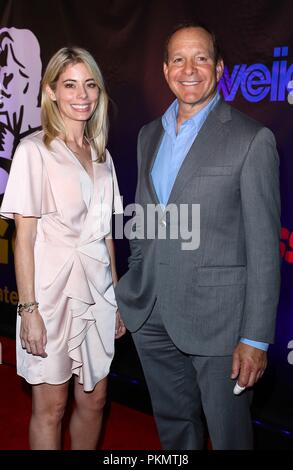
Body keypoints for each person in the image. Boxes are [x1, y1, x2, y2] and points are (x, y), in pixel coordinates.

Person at [115, 23, 281, 450]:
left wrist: (255, 337)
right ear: (165, 68)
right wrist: (131, 290)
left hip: (220, 326)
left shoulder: (252, 139)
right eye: (178, 59)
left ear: (220, 67)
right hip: (151, 317)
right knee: (174, 432)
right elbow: (144, 223)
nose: (189, 69)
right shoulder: (147, 134)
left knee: (229, 438)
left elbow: (265, 250)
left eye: (201, 58)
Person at [0, 46, 126, 450]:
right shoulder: (34, 151)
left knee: (96, 399)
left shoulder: (103, 156)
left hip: (98, 294)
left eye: (90, 84)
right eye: (70, 84)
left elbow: (105, 234)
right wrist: (29, 310)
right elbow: (25, 238)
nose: (82, 94)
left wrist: (118, 297)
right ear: (51, 91)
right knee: (50, 408)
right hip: (50, 298)